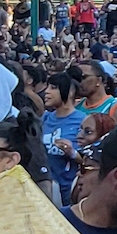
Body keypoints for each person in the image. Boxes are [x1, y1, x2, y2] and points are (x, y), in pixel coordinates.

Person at [41, 71, 87, 204]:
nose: (47, 92)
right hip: (46, 189)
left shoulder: (82, 120)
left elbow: (90, 160)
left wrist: (72, 153)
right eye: (48, 87)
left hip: (68, 191)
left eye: (53, 88)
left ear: (70, 92)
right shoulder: (45, 118)